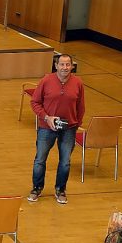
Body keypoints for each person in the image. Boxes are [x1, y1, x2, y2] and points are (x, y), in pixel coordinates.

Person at [28, 54, 85, 205]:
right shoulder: (46, 80)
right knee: (40, 159)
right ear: (56, 65)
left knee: (65, 162)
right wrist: (46, 117)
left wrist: (76, 124)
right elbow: (35, 102)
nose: (65, 68)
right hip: (46, 127)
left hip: (69, 129)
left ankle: (60, 190)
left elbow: (81, 107)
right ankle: (36, 188)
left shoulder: (78, 83)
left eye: (68, 65)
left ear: (72, 66)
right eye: (62, 64)